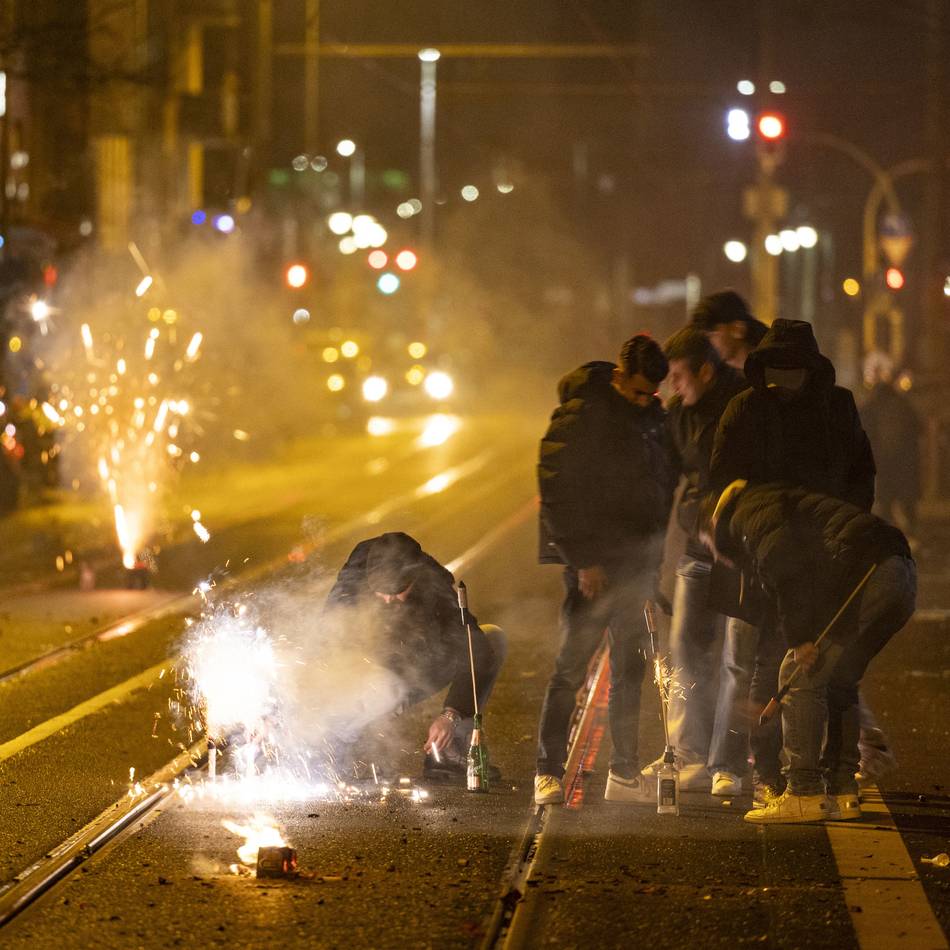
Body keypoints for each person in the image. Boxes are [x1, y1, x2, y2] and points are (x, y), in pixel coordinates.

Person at [709, 318, 883, 802]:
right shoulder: (755, 407)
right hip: (775, 554)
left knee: (810, 665)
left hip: (808, 552)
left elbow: (859, 473)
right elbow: (723, 479)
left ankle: (813, 776)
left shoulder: (828, 406)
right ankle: (785, 775)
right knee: (785, 664)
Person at [702, 480, 915, 824]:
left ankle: (804, 793)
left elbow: (786, 569)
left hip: (870, 575)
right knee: (841, 679)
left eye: (706, 542)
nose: (713, 553)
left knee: (797, 673)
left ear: (713, 522)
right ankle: (843, 791)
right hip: (900, 575)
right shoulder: (771, 501)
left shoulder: (750, 516)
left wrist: (800, 639)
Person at [535, 335, 673, 805]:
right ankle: (547, 772)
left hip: (634, 563)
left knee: (630, 669)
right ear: (618, 376)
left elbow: (658, 490)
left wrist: (651, 567)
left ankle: (624, 775)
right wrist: (583, 560)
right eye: (636, 391)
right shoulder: (581, 415)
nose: (643, 400)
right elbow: (556, 490)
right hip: (593, 566)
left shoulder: (652, 418)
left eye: (651, 394)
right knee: (571, 668)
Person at [640, 326, 753, 796]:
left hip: (741, 551)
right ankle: (686, 753)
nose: (673, 385)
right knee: (685, 649)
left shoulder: (745, 404)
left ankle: (726, 762)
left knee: (736, 658)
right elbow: (663, 483)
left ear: (706, 371)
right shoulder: (678, 416)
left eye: (680, 376)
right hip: (696, 548)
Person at [323, 531, 507, 783]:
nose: (388, 599)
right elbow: (324, 641)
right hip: (370, 676)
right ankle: (334, 749)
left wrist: (451, 715)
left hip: (415, 668)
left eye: (398, 591)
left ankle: (447, 749)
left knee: (493, 637)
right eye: (380, 592)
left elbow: (476, 645)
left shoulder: (434, 584)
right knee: (377, 687)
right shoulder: (352, 581)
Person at [860, 356, 922, 541]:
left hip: (883, 461)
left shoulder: (871, 406)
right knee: (907, 497)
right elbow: (917, 427)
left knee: (886, 498)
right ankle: (912, 530)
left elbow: (862, 428)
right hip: (904, 461)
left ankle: (887, 533)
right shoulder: (903, 405)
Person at [690, 289, 768, 372]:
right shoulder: (718, 375)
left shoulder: (772, 368)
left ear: (738, 329)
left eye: (712, 335)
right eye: (706, 336)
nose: (709, 343)